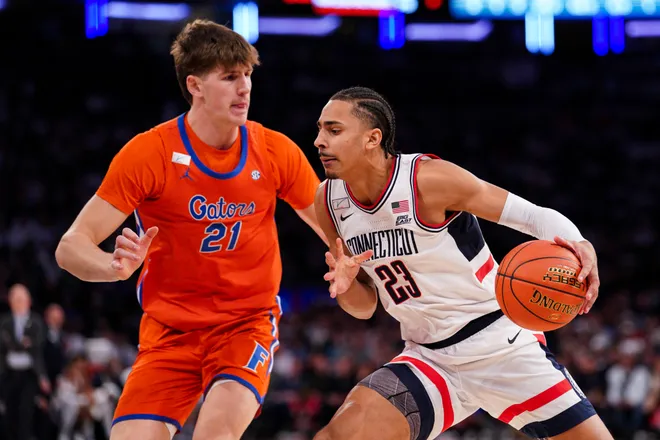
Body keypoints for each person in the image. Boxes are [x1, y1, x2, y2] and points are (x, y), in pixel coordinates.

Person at [55, 19, 325, 440]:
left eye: (248, 75)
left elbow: (337, 226)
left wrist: (355, 264)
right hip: (169, 335)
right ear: (195, 85)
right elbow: (70, 246)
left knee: (214, 435)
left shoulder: (274, 150)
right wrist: (113, 267)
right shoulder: (151, 153)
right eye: (231, 77)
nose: (245, 88)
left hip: (244, 324)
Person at [311, 86, 612, 440]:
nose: (318, 141)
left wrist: (580, 244)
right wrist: (346, 288)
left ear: (372, 138)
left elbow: (532, 217)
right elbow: (364, 308)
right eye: (319, 129)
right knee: (338, 435)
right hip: (429, 360)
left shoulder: (428, 179)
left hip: (501, 346)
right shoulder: (329, 201)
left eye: (333, 130)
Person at [0, 283, 50, 440]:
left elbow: (37, 347)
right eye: (15, 299)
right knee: (9, 410)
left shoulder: (36, 322)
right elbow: (4, 345)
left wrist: (42, 376)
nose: (19, 302)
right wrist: (22, 344)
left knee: (26, 411)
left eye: (22, 299)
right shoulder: (4, 322)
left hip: (29, 373)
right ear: (10, 301)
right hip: (8, 372)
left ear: (29, 301)